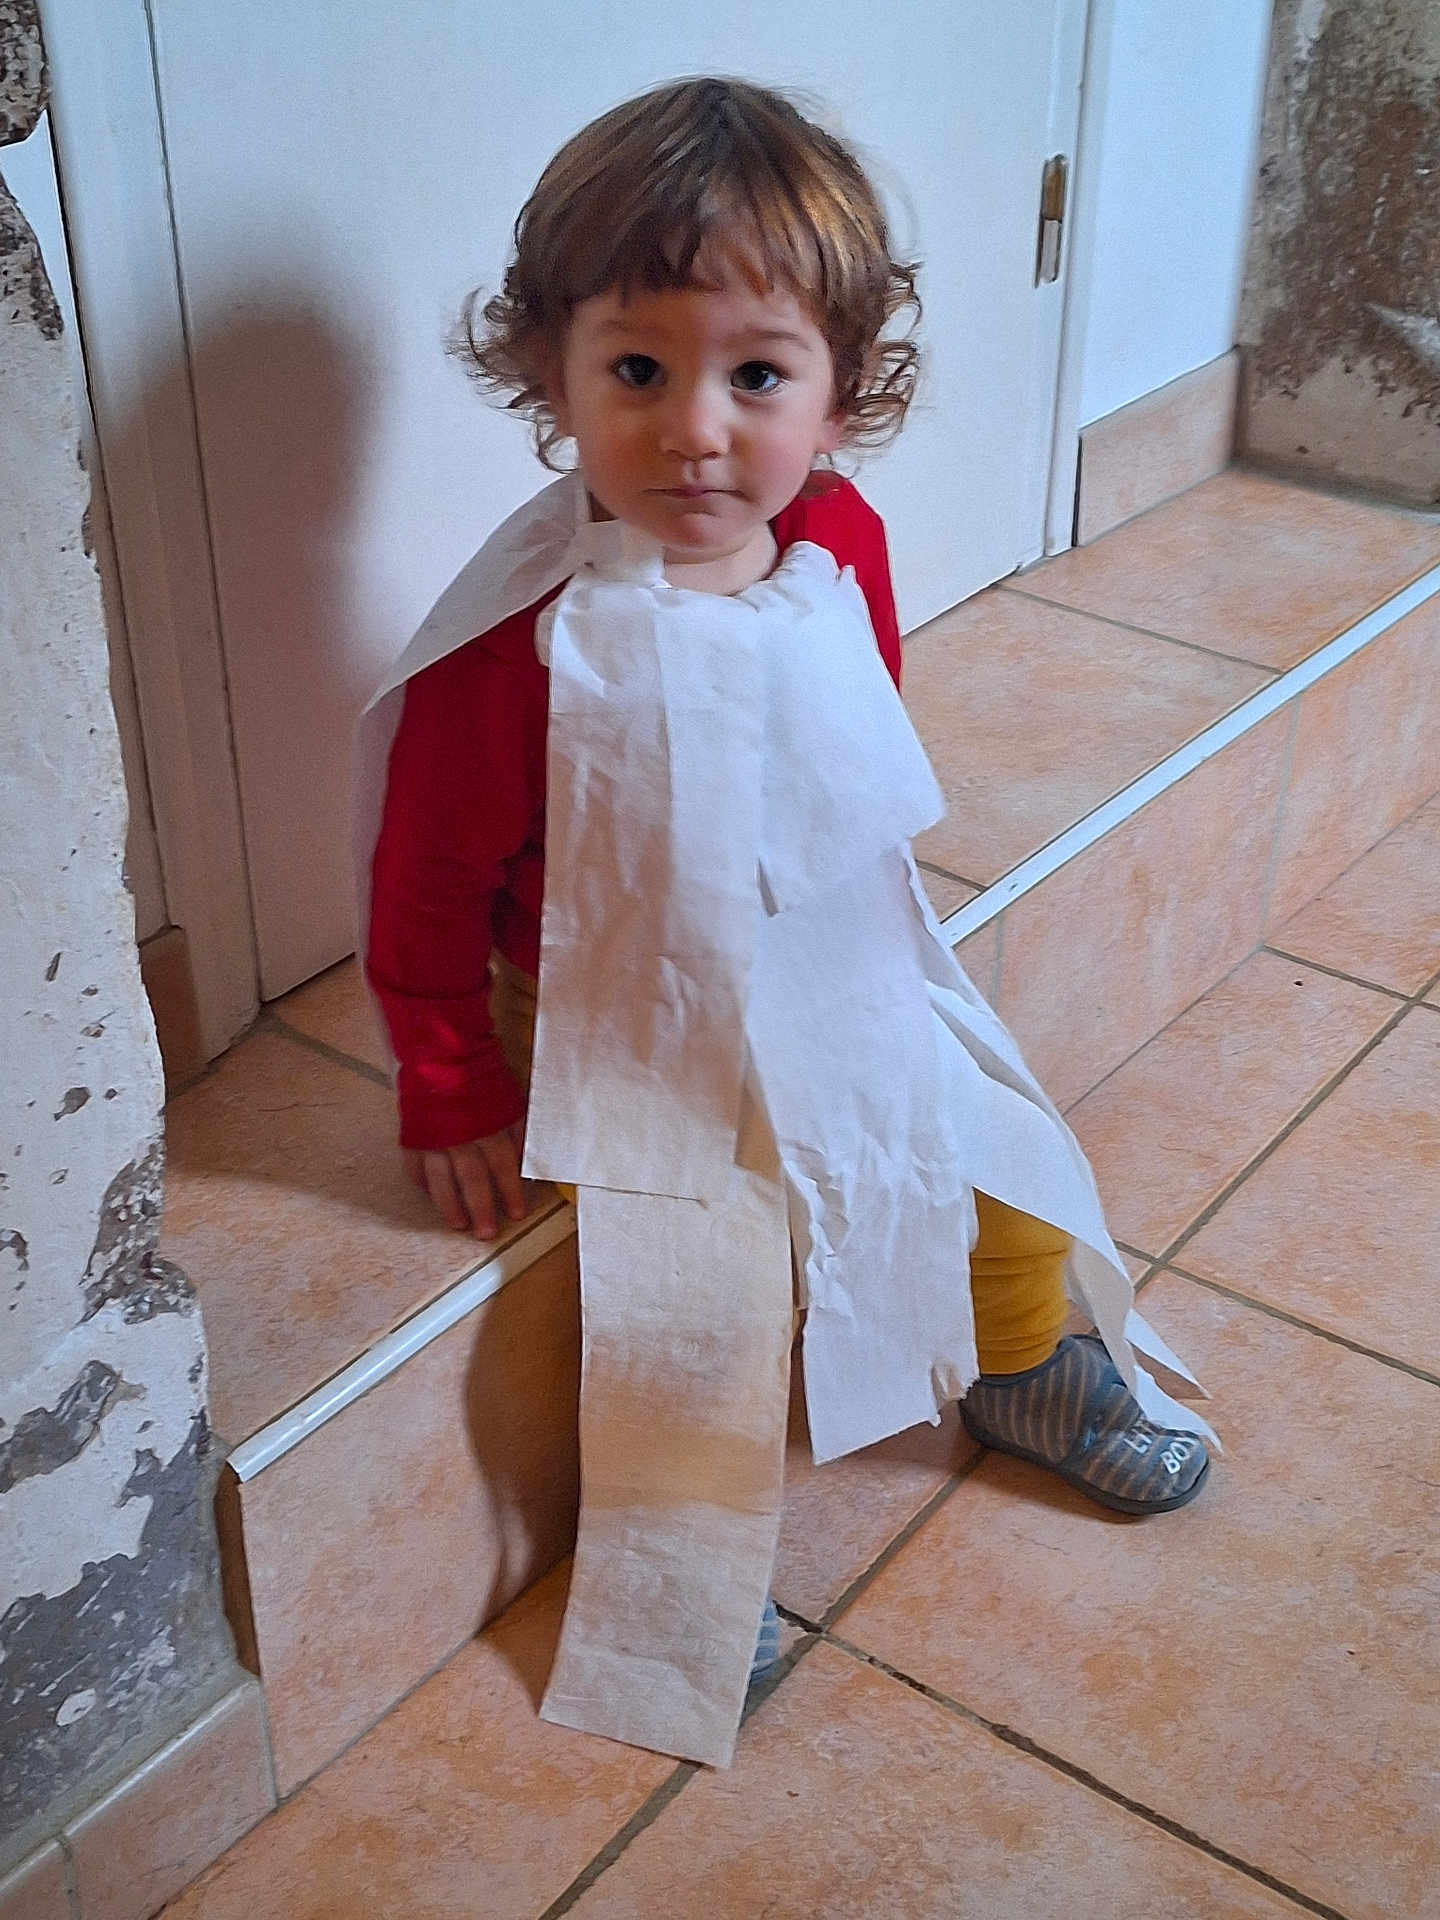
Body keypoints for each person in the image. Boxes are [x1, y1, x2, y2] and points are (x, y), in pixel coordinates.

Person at [361, 76, 1212, 1753]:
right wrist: (448, 1071)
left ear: (838, 395)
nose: (696, 427)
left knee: (982, 1139)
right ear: (552, 374)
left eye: (756, 374)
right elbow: (427, 875)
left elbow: (852, 739)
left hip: (818, 954)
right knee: (699, 1263)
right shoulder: (520, 645)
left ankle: (1027, 1354)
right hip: (609, 1001)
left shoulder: (839, 546)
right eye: (639, 370)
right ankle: (690, 1543)